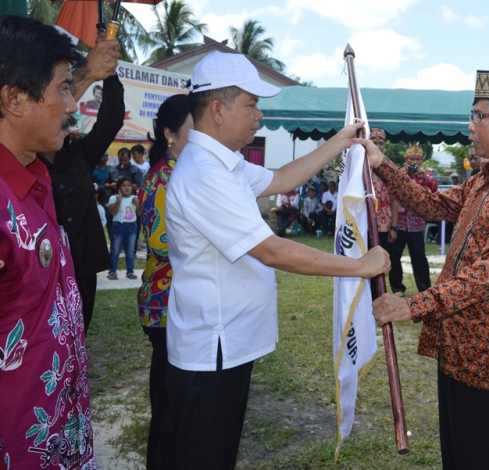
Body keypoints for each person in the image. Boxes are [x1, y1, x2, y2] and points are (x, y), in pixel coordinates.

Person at [163, 51, 388, 470]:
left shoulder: (222, 163)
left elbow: (283, 178)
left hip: (225, 345)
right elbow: (271, 250)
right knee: (202, 455)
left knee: (216, 451)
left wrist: (341, 140)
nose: (258, 115)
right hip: (212, 349)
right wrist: (360, 266)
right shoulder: (204, 174)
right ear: (217, 109)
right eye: (250, 104)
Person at [365, 68, 489, 469]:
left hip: (488, 354)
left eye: (478, 116)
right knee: (457, 454)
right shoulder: (483, 180)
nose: (469, 127)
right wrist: (381, 163)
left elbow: (488, 274)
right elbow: (433, 205)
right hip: (457, 344)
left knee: (484, 456)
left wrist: (413, 305)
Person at [0, 15, 95, 468]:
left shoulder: (35, 180)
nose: (73, 104)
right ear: (15, 100)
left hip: (58, 439)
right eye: (63, 88)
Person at [37, 31, 123, 331]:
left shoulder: (78, 155)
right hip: (44, 269)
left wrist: (109, 74)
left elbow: (111, 120)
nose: (68, 120)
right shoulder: (24, 162)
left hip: (82, 264)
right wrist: (90, 69)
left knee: (77, 333)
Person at [137, 93, 192, 470]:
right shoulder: (162, 178)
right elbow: (160, 242)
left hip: (179, 303)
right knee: (169, 404)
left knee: (178, 401)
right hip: (165, 306)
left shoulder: (183, 172)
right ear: (170, 134)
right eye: (195, 129)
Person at [388, 144, 437, 296]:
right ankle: (397, 288)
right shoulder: (400, 173)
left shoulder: (425, 176)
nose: (414, 162)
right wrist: (402, 173)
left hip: (417, 224)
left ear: (422, 161)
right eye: (412, 159)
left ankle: (424, 288)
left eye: (418, 159)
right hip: (399, 223)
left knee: (419, 257)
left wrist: (425, 177)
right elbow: (392, 189)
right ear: (406, 159)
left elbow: (434, 190)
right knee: (394, 256)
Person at [107, 176, 139, 280]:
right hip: (118, 226)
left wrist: (138, 205)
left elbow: (140, 213)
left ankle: (130, 271)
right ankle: (112, 272)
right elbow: (112, 212)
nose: (127, 188)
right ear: (119, 188)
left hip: (132, 226)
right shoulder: (114, 198)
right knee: (115, 250)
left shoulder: (134, 199)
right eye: (124, 185)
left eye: (129, 185)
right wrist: (119, 201)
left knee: (130, 251)